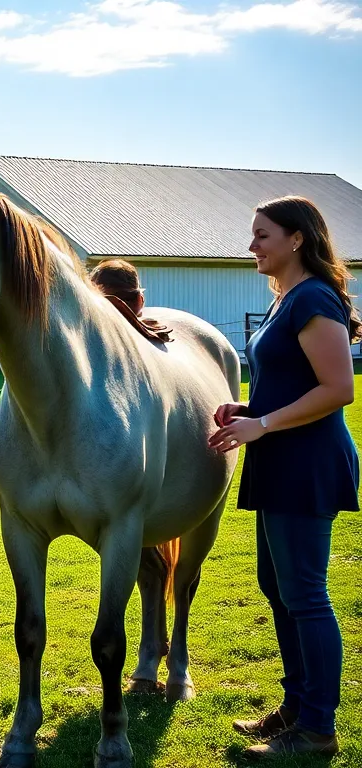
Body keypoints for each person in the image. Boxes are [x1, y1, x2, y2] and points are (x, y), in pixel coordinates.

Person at [208, 195, 360, 758]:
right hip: (279, 456)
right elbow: (292, 383)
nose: (252, 246)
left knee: (306, 595)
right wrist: (247, 411)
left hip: (306, 462)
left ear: (297, 239)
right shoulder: (285, 301)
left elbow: (337, 390)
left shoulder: (315, 299)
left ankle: (319, 729)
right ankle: (296, 707)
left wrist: (264, 423)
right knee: (279, 589)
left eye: (262, 235)